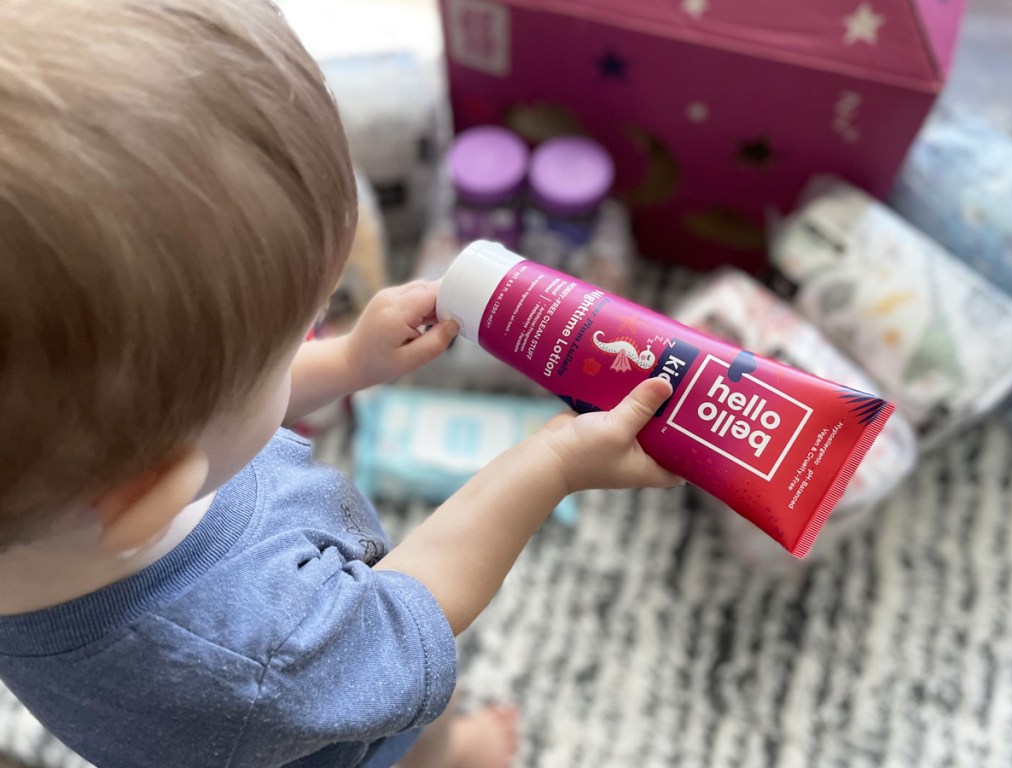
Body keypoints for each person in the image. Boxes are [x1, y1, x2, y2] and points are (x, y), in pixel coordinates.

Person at [0, 1, 680, 766]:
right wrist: (549, 466)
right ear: (154, 486)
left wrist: (351, 361)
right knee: (408, 720)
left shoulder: (70, 474)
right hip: (338, 731)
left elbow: (209, 414)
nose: (310, 341)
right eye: (290, 344)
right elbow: (399, 617)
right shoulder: (257, 657)